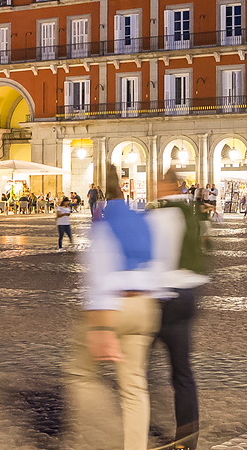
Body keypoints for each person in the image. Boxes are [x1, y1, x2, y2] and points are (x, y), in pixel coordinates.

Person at [66, 164, 160, 450]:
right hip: (145, 306)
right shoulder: (143, 220)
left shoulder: (103, 223)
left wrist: (101, 326)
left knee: (81, 375)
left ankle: (102, 441)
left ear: (102, 197)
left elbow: (99, 271)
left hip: (114, 306)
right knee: (133, 386)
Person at [147, 169, 210, 449]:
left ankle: (135, 425)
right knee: (183, 373)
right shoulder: (195, 214)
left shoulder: (157, 215)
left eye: (158, 184)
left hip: (163, 298)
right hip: (189, 296)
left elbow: (156, 259)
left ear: (166, 185)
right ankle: (187, 440)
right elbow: (205, 251)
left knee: (138, 369)